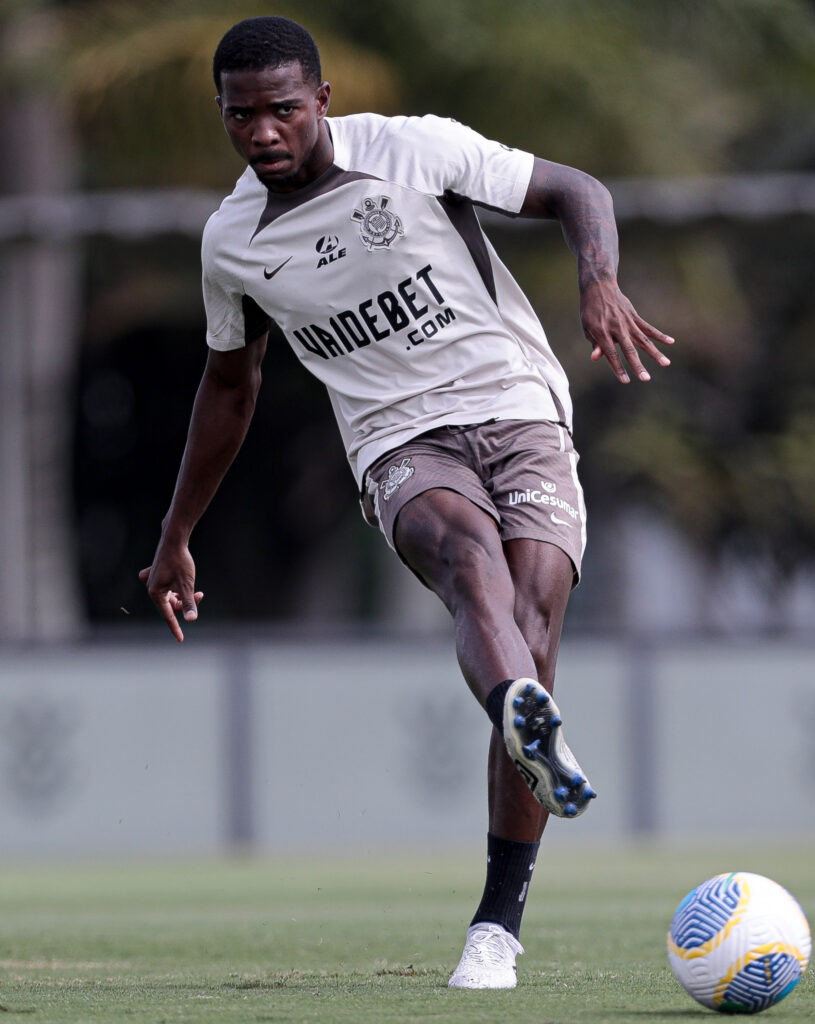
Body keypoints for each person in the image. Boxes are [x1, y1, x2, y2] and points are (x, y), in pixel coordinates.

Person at [140, 15, 674, 989]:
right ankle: (522, 710)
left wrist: (597, 281)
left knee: (533, 608)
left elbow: (572, 188)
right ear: (224, 115)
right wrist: (176, 535)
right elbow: (228, 388)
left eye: (282, 110)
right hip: (396, 440)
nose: (262, 132)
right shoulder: (233, 245)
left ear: (323, 102)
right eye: (240, 115)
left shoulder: (415, 149)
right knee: (467, 558)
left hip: (514, 402)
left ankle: (496, 922)